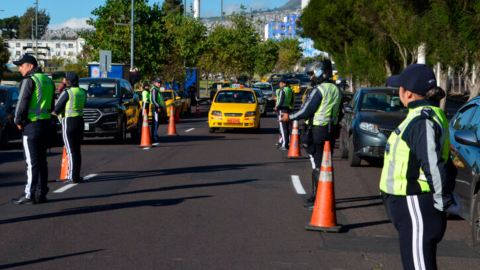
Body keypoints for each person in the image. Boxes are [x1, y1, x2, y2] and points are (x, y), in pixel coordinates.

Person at [379, 64, 457, 270]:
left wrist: (441, 202)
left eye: (400, 87)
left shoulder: (421, 120)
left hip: (416, 203)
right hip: (414, 204)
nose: (398, 92)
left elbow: (433, 164)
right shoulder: (425, 115)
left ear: (409, 93)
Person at [279, 59, 343, 206]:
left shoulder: (320, 90)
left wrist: (290, 117)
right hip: (331, 131)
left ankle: (318, 198)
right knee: (326, 164)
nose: (311, 78)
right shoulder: (336, 89)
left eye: (312, 74)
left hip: (318, 131)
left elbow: (307, 110)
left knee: (317, 164)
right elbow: (340, 113)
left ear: (320, 72)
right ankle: (323, 196)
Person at [11, 55, 55, 205]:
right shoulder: (48, 80)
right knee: (42, 161)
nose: (19, 69)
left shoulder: (29, 80)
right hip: (46, 126)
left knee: (31, 162)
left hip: (31, 126)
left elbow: (22, 102)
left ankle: (29, 194)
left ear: (30, 66)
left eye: (21, 65)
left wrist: (18, 120)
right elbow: (52, 105)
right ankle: (41, 193)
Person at [54, 71, 86, 183]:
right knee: (77, 150)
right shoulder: (82, 91)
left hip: (68, 121)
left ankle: (71, 176)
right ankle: (76, 175)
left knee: (70, 150)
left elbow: (57, 107)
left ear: (68, 81)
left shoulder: (67, 91)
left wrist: (58, 115)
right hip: (80, 121)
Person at [274, 77, 294, 150]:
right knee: (288, 127)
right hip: (289, 109)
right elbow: (292, 100)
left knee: (283, 128)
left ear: (282, 83)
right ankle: (287, 142)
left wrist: (277, 107)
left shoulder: (282, 90)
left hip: (282, 110)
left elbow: (280, 100)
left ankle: (284, 144)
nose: (279, 84)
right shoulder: (290, 90)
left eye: (280, 83)